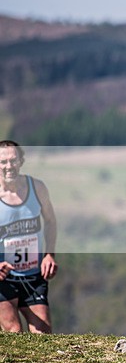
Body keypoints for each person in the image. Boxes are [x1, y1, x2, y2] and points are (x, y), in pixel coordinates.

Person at [0, 140, 58, 333]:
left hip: (33, 275)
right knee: (14, 331)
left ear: (21, 161)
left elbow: (50, 221)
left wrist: (49, 254)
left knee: (43, 334)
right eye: (3, 162)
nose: (9, 166)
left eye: (13, 160)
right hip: (3, 278)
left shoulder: (37, 188)